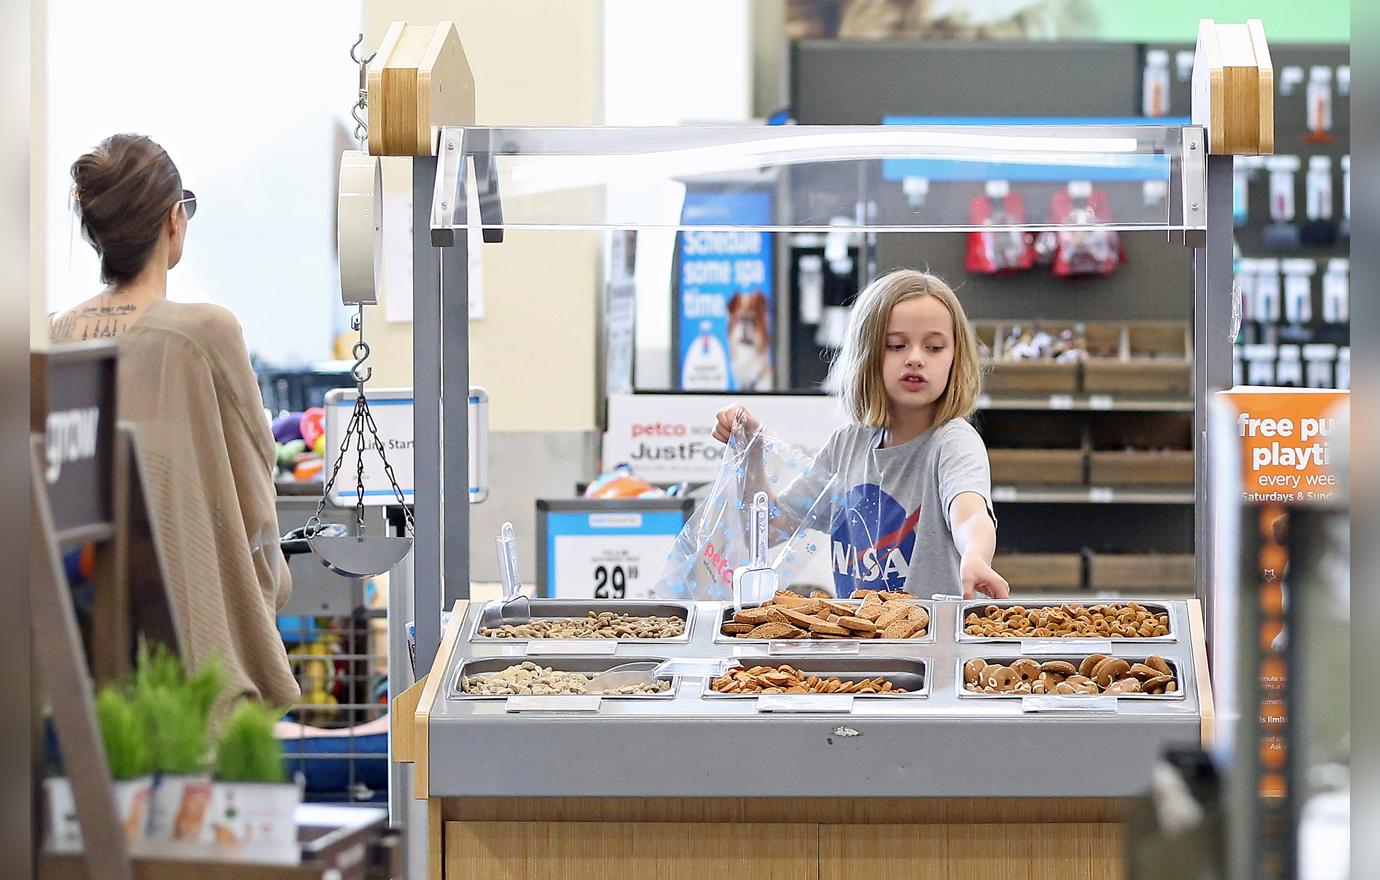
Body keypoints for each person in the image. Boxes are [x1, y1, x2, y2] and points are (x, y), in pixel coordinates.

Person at [51, 133, 300, 708]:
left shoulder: (57, 334)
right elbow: (253, 486)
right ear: (174, 220)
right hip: (196, 645)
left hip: (84, 650)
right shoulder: (205, 333)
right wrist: (269, 584)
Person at [711, 269, 1009, 600]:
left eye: (934, 347)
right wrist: (749, 452)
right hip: (862, 646)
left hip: (933, 646)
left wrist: (976, 557)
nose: (915, 358)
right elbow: (766, 530)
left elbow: (969, 514)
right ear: (865, 355)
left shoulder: (953, 442)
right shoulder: (846, 445)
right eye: (896, 345)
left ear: (956, 358)